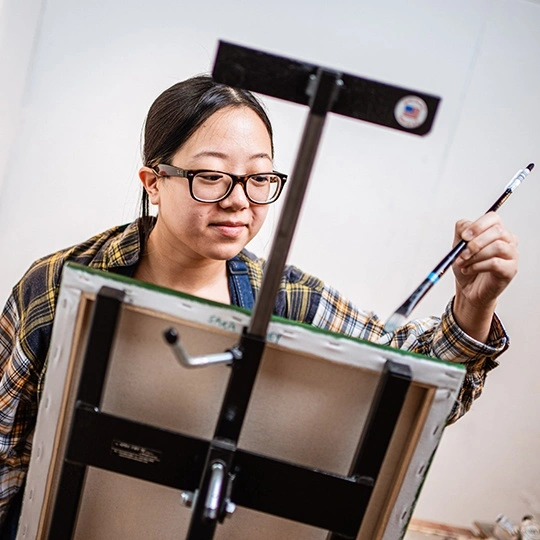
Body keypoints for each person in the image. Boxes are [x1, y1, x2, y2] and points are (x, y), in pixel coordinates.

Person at [0, 75, 518, 536]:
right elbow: (6, 450)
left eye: (259, 178)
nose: (239, 200)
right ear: (154, 183)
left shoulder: (292, 302)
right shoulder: (60, 285)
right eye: (211, 176)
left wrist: (474, 303)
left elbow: (417, 394)